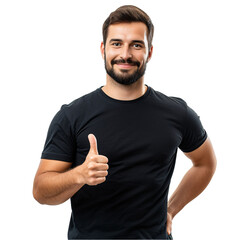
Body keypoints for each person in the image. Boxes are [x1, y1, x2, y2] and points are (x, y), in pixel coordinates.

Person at [33, 5, 217, 240]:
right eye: (117, 43)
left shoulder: (177, 113)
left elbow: (205, 163)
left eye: (136, 45)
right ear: (103, 49)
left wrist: (171, 209)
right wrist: (79, 175)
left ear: (149, 52)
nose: (126, 54)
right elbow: (40, 191)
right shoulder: (72, 116)